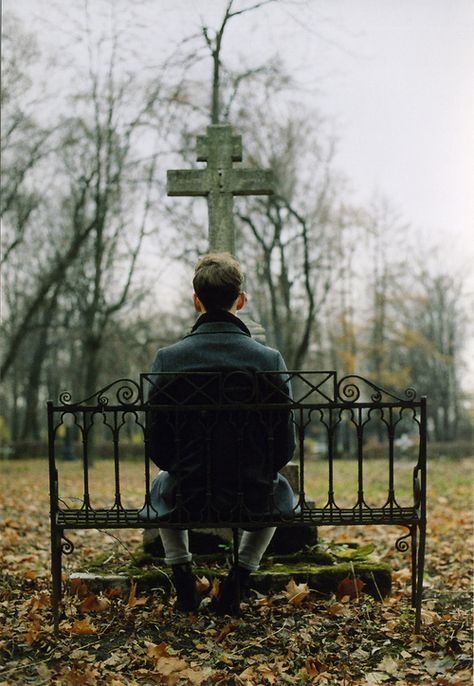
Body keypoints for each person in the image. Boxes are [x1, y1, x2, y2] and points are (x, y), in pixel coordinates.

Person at [143, 253, 295, 614]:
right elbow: (284, 447)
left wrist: (181, 467)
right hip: (252, 491)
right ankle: (238, 580)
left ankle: (182, 576)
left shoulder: (169, 359)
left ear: (197, 301)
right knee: (281, 491)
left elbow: (159, 449)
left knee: (162, 484)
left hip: (188, 491)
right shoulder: (268, 360)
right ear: (239, 301)